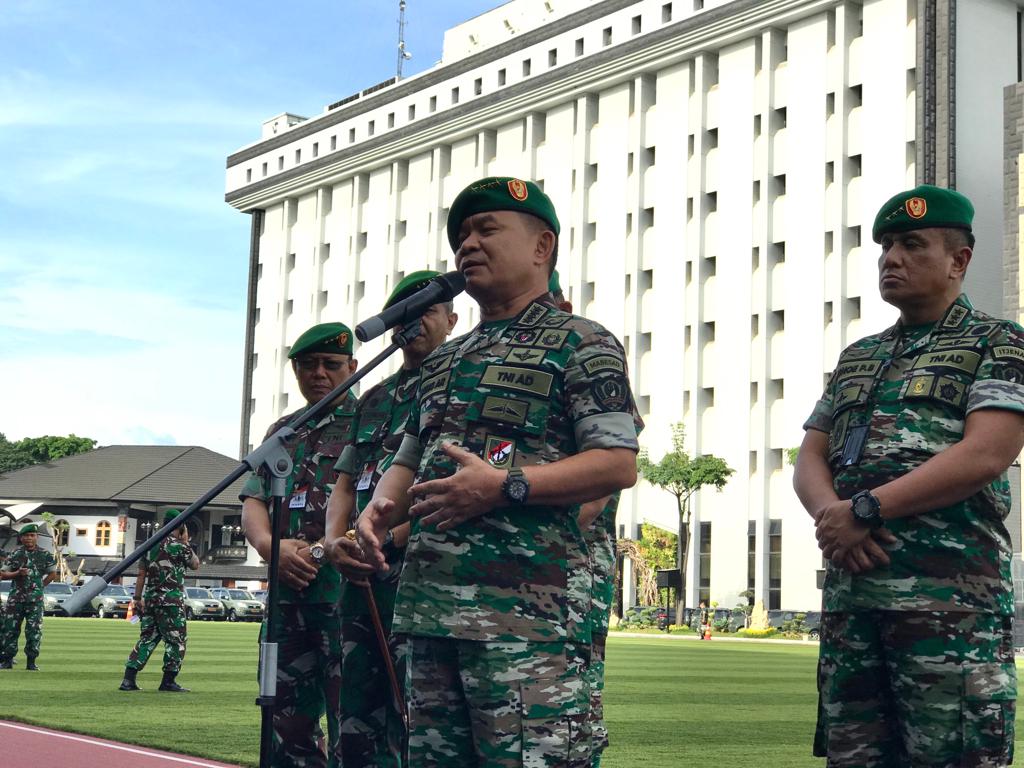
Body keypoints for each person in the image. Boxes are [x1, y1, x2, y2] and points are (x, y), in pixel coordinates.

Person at [355, 176, 643, 766]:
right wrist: (377, 512)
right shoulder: (446, 360)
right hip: (433, 614)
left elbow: (616, 463)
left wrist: (503, 487)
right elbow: (410, 457)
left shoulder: (582, 343)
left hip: (527, 622)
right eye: (462, 235)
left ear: (543, 247)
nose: (469, 245)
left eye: (488, 229)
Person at [794, 184, 1024, 766]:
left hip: (949, 606)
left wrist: (864, 510)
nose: (891, 258)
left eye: (912, 245)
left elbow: (984, 455)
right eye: (886, 246)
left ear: (959, 260)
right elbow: (811, 458)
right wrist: (833, 518)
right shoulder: (859, 356)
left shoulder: (999, 343)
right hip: (854, 603)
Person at [325, 270, 458, 767]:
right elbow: (343, 483)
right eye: (404, 310)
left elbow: (461, 487)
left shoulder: (460, 384)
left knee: (420, 722)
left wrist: (393, 536)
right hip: (362, 577)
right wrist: (336, 540)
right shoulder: (375, 398)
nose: (415, 320)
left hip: (422, 576)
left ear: (451, 317)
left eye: (426, 309)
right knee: (354, 716)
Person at [241, 321, 359, 768]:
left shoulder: (370, 419)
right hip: (288, 603)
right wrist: (272, 547)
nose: (319, 374)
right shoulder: (283, 429)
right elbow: (253, 500)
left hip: (346, 599)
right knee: (285, 722)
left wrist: (316, 550)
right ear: (294, 370)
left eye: (331, 364)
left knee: (355, 722)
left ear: (351, 366)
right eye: (308, 365)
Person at [119, 508, 200, 692]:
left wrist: (137, 598)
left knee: (147, 639)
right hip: (171, 601)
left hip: (150, 600)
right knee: (176, 641)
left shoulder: (149, 545)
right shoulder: (179, 546)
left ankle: (128, 679)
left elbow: (141, 574)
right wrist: (186, 541)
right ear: (180, 526)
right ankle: (168, 681)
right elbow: (195, 564)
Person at [0, 524, 56, 670]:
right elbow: (3, 574)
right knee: (10, 629)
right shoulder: (15, 554)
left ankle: (31, 661)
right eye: (26, 536)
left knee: (34, 630)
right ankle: (7, 659)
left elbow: (52, 573)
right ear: (21, 537)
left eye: (32, 535)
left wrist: (40, 586)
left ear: (36, 537)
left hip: (35, 601)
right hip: (15, 599)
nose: (29, 538)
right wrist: (17, 573)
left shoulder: (45, 554)